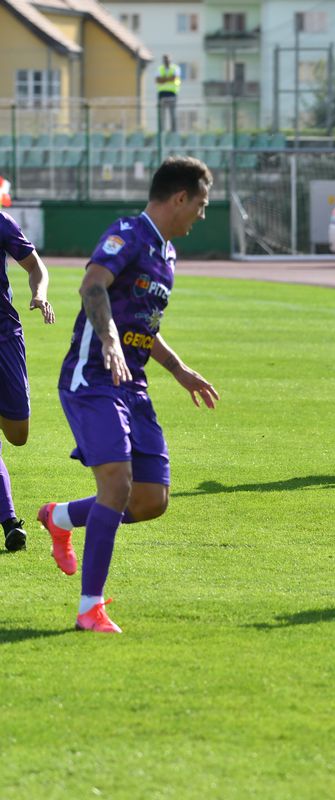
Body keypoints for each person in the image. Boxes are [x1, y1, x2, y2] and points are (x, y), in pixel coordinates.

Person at [38, 157, 219, 634]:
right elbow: (93, 286)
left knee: (149, 501)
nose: (202, 215)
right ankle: (89, 609)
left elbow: (144, 325)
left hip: (132, 385)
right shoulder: (128, 233)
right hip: (93, 376)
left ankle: (59, 517)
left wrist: (179, 370)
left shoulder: (167, 254)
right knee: (116, 486)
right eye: (200, 205)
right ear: (179, 198)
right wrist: (109, 341)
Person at [0, 211, 55, 551]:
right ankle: (9, 521)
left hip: (5, 337)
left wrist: (40, 293)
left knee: (18, 435)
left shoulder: (2, 223)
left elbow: (36, 267)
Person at [156, 54, 181, 133]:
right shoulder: (160, 68)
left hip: (172, 93)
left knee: (172, 113)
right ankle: (161, 131)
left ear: (170, 60)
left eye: (168, 59)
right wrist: (168, 78)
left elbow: (174, 78)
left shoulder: (175, 68)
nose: (166, 61)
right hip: (162, 93)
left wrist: (163, 79)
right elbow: (158, 80)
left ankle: (174, 131)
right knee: (161, 114)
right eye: (165, 59)